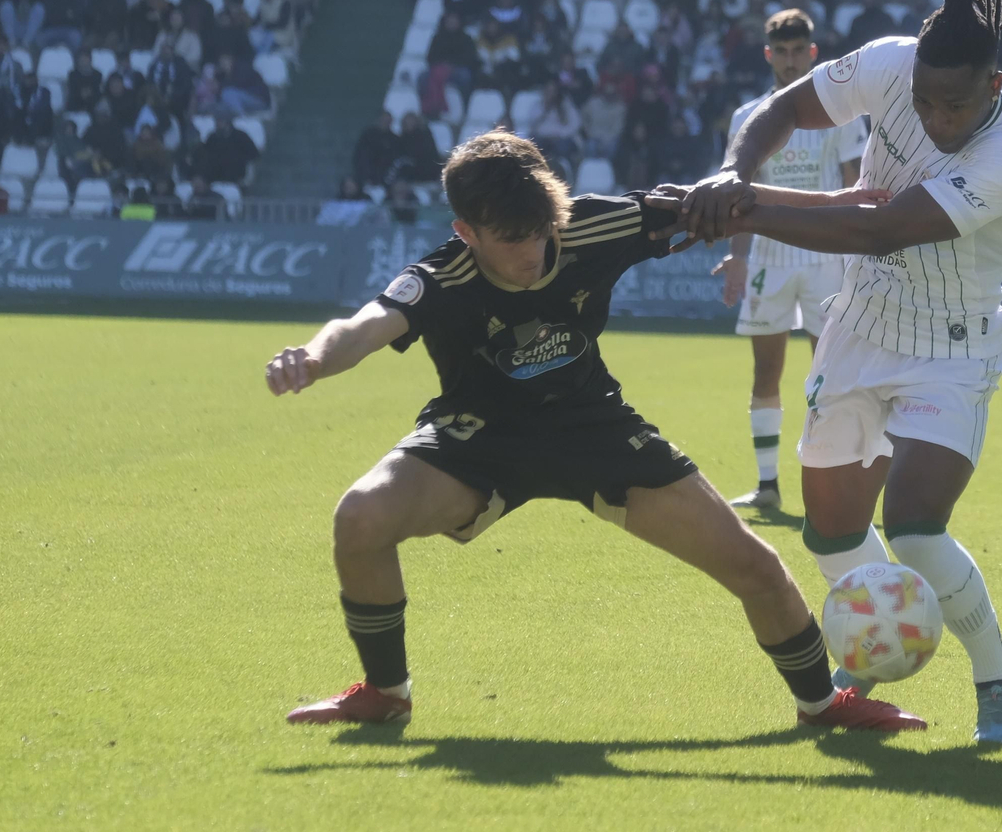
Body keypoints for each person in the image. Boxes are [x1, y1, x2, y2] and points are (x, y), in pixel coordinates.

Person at [267, 132, 924, 734]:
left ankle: (822, 704)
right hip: (479, 437)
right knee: (361, 516)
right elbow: (365, 325)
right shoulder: (441, 277)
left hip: (595, 427)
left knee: (755, 564)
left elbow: (720, 200)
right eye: (511, 239)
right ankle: (387, 693)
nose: (532, 252)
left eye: (540, 232)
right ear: (466, 232)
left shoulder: (592, 223)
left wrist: (833, 201)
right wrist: (314, 358)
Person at [666, 0, 1002, 746]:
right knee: (831, 529)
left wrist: (744, 209)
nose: (935, 119)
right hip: (858, 326)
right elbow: (782, 111)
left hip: (950, 347)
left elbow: (879, 229)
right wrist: (733, 171)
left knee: (913, 524)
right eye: (924, 101)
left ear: (994, 85)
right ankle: (877, 640)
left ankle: (998, 681)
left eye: (954, 106)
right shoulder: (889, 63)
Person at [713, 10, 868, 516]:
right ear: (768, 55)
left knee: (832, 377)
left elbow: (856, 187)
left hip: (826, 257)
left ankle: (835, 485)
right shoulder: (749, 117)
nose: (790, 60)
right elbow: (737, 193)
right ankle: (767, 486)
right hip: (769, 257)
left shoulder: (842, 114)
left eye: (798, 51)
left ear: (813, 53)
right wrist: (738, 257)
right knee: (766, 374)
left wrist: (860, 255)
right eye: (781, 52)